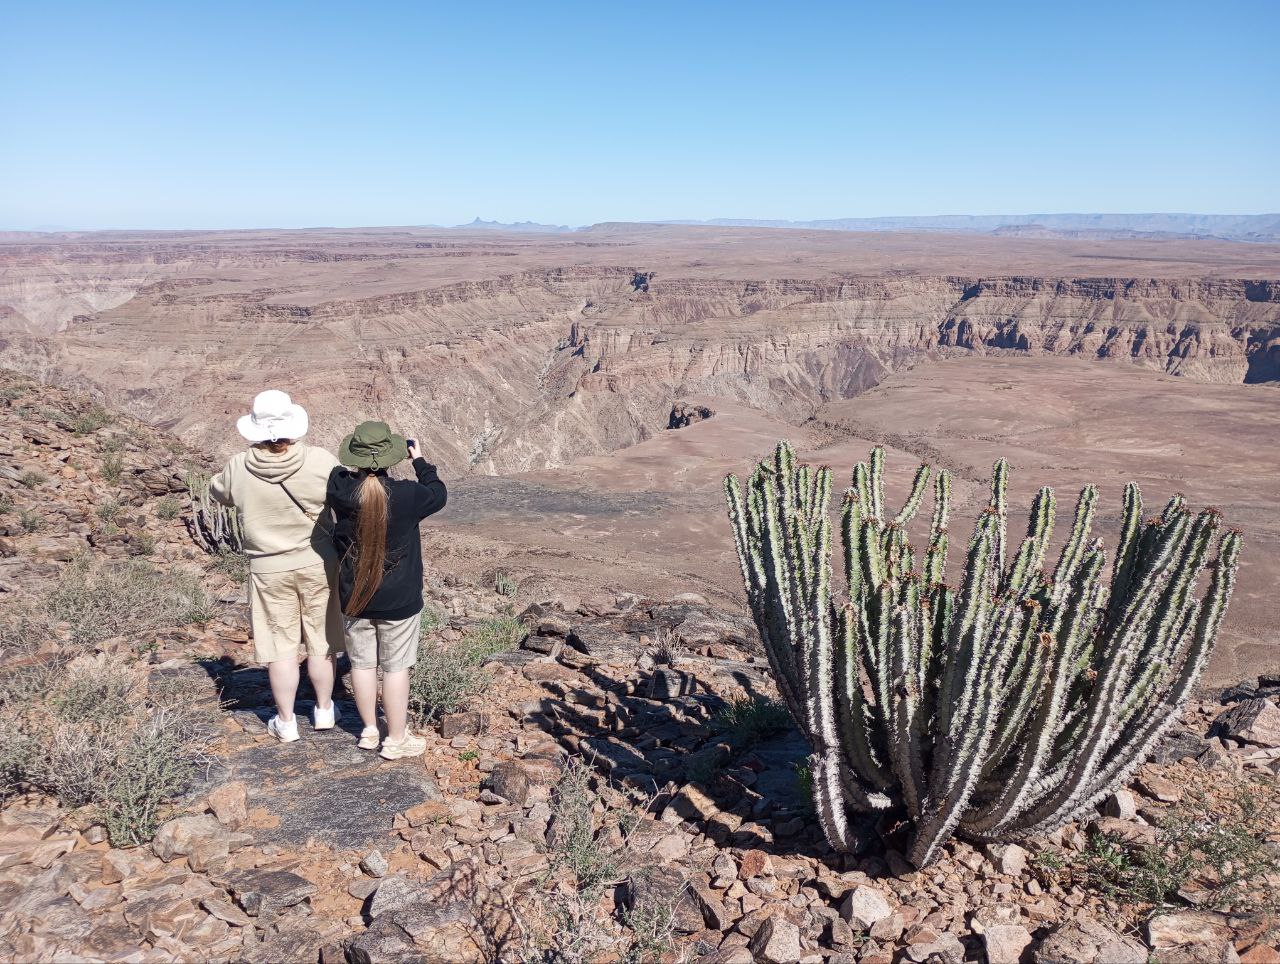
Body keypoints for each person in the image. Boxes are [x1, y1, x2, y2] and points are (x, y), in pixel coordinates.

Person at [210, 390, 344, 743]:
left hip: (268, 568)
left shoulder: (238, 466)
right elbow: (343, 493)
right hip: (318, 563)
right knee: (321, 641)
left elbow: (217, 494)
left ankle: (286, 722)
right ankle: (325, 709)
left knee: (280, 647)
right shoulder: (319, 460)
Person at [327, 421, 447, 759]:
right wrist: (419, 460)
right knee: (395, 668)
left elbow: (336, 472)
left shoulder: (340, 489)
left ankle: (368, 730)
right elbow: (438, 492)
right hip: (399, 600)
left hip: (354, 598)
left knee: (362, 664)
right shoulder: (409, 496)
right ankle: (395, 739)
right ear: (392, 456)